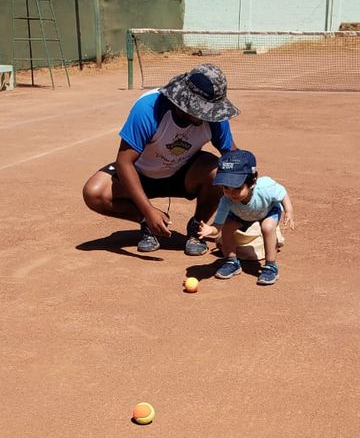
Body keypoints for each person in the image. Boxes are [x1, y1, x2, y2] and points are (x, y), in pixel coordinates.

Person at [82, 63, 239, 255]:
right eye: (204, 110)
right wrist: (148, 211)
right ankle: (145, 221)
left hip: (184, 173)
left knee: (222, 172)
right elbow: (124, 162)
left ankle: (197, 227)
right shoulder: (148, 108)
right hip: (140, 175)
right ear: (185, 102)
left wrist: (253, 205)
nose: (209, 115)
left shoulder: (214, 117)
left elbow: (232, 157)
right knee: (94, 192)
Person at [197, 149, 295, 286]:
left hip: (267, 210)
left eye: (237, 188)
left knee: (267, 227)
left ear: (253, 180)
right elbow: (218, 226)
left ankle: (271, 266)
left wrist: (289, 211)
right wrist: (210, 230)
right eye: (226, 187)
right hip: (241, 215)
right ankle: (232, 261)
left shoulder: (265, 187)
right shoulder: (226, 200)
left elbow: (282, 192)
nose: (231, 194)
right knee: (227, 227)